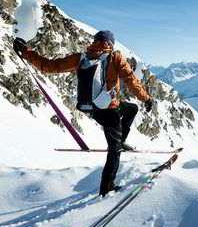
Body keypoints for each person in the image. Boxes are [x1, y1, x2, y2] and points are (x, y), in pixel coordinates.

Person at [13, 30, 153, 197]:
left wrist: (26, 51)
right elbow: (131, 81)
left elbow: (51, 66)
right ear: (110, 43)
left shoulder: (81, 58)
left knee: (131, 108)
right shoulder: (115, 57)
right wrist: (146, 99)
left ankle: (120, 140)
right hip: (109, 110)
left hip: (91, 109)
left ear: (96, 41)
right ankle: (107, 187)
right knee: (114, 151)